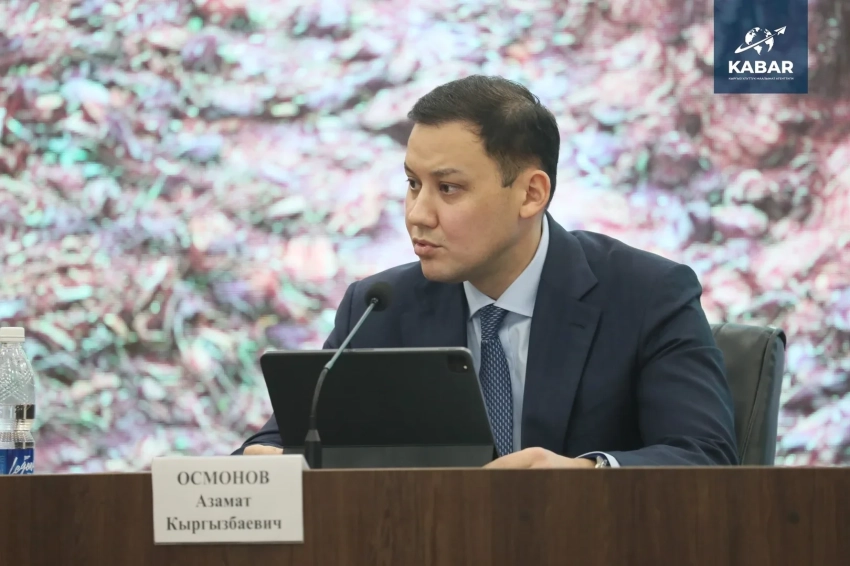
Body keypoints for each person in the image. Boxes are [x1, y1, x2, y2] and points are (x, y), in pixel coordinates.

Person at [235, 75, 739, 468]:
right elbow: (282, 443)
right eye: (413, 184)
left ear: (531, 194)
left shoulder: (646, 294)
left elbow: (705, 456)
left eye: (448, 189)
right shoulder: (379, 307)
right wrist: (266, 464)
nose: (417, 214)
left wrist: (586, 473)